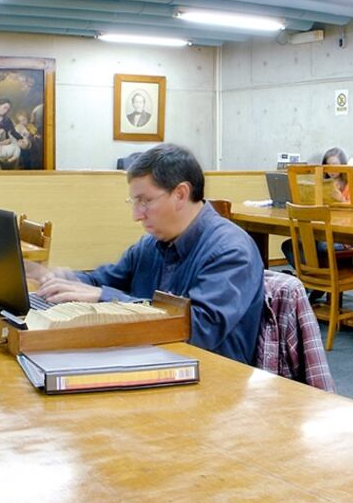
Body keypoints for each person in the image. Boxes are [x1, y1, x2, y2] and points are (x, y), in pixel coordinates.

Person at [28, 143, 264, 364]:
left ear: (181, 194)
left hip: (210, 378)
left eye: (145, 201)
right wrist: (60, 279)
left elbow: (198, 329)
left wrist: (103, 297)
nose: (136, 215)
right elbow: (101, 281)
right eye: (134, 201)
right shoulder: (150, 245)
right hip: (151, 359)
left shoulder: (230, 250)